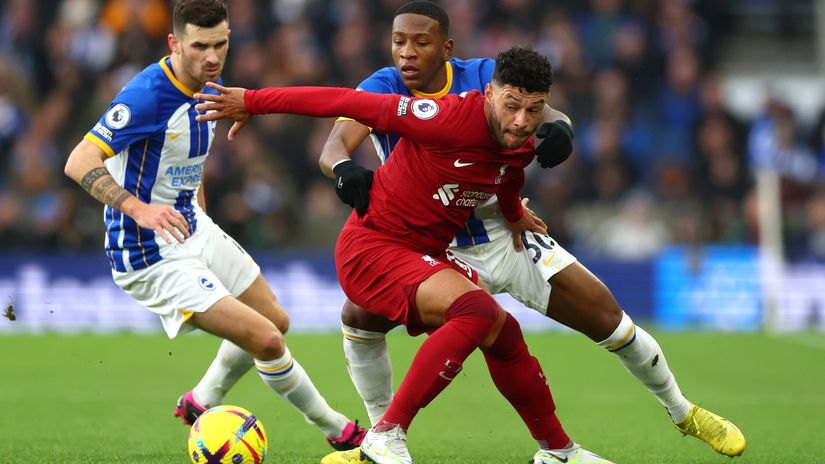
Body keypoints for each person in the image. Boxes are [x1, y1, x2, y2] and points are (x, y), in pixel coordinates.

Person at [185, 1, 746, 462]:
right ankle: (383, 436)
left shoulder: (486, 80)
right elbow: (340, 125)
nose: (407, 53)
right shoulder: (398, 93)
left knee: (611, 321)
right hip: (428, 245)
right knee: (365, 316)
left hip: (503, 232)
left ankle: (681, 413)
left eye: (420, 43)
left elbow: (535, 125)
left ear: (445, 49)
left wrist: (561, 137)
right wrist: (339, 168)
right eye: (399, 42)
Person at [194, 47, 614, 464]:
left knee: (503, 334)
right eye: (511, 106)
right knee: (477, 312)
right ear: (490, 93)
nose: (521, 121)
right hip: (372, 248)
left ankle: (558, 451)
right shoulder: (443, 117)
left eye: (534, 110)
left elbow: (506, 175)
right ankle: (385, 435)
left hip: (422, 254)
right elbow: (344, 102)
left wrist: (513, 214)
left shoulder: (520, 140)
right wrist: (251, 101)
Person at [62, 0, 366, 452]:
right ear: (174, 43)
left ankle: (201, 399)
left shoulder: (210, 83)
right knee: (265, 339)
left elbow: (186, 158)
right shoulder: (146, 95)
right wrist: (138, 209)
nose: (212, 56)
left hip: (190, 225)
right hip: (148, 250)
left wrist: (198, 207)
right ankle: (336, 428)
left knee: (276, 320)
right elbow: (78, 161)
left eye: (220, 44)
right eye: (200, 46)